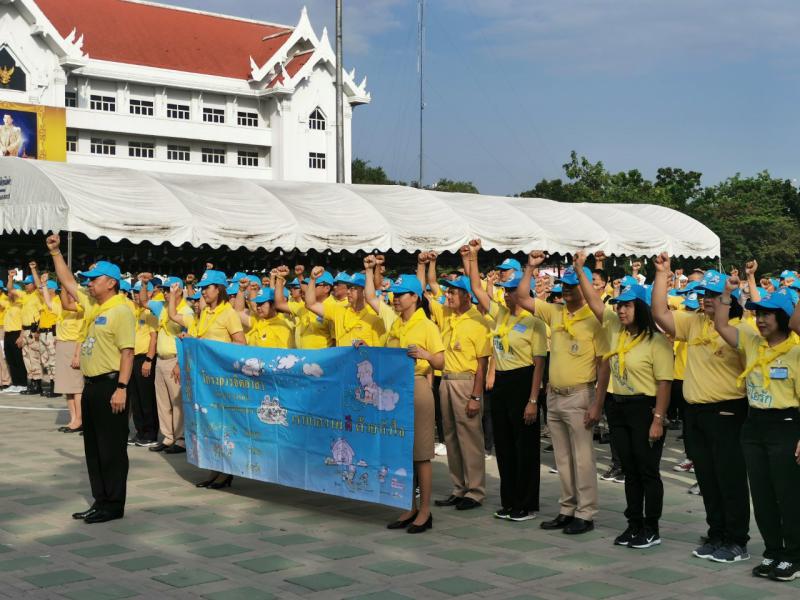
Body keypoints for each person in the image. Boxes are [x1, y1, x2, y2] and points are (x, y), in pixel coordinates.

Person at [652, 254, 752, 563]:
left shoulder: (742, 328)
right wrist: (662, 273)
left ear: (728, 296)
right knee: (708, 478)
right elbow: (659, 312)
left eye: (713, 294)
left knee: (729, 478)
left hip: (727, 412)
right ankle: (716, 533)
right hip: (695, 413)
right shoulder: (693, 322)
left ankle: (737, 540)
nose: (706, 299)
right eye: (704, 293)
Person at [575, 255, 673, 549]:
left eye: (627, 305)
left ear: (640, 307)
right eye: (619, 305)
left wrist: (658, 419)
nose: (621, 310)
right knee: (630, 470)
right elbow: (594, 301)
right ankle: (634, 524)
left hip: (646, 408)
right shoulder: (616, 329)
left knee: (647, 471)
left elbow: (664, 383)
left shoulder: (656, 341)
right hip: (618, 407)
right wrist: (580, 269)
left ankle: (651, 528)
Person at [47, 234, 135, 524]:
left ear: (111, 282)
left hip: (112, 385)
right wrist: (56, 252)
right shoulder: (94, 305)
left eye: (94, 279)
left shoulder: (121, 310)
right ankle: (100, 501)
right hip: (92, 386)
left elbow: (127, 353)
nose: (89, 283)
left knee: (112, 450)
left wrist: (121, 388)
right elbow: (68, 281)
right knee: (94, 450)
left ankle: (114, 505)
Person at [515, 252, 605, 535]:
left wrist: (598, 403)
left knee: (582, 458)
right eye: (564, 285)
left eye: (572, 285)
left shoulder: (596, 319)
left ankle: (586, 512)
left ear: (584, 287)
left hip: (580, 395)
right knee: (563, 458)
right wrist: (530, 268)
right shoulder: (555, 312)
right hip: (554, 395)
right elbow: (522, 297)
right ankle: (567, 508)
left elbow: (603, 364)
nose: (566, 290)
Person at [716, 282, 800, 582]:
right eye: (758, 314)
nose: (760, 320)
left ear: (783, 317)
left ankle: (794, 556)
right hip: (754, 426)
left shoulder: (796, 352)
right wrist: (726, 294)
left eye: (767, 314)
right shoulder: (753, 343)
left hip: (786, 425)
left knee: (787, 495)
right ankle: (773, 551)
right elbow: (721, 325)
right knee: (762, 495)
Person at [466, 240, 546, 522]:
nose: (507, 294)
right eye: (506, 290)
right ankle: (509, 500)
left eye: (512, 290)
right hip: (501, 381)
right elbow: (476, 289)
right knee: (504, 444)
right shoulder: (500, 314)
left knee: (525, 446)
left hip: (524, 381)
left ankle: (526, 503)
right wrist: (473, 257)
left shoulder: (535, 322)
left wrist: (533, 400)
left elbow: (539, 364)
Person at [363, 259, 444, 534]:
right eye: (394, 294)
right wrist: (366, 348)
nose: (395, 299)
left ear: (415, 297)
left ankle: (425, 511)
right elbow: (385, 355)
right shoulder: (396, 325)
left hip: (417, 387)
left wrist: (426, 355)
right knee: (401, 452)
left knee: (421, 454)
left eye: (400, 295)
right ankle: (408, 506)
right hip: (394, 392)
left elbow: (441, 361)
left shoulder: (427, 326)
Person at [170, 269, 245, 489]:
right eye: (202, 288)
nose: (203, 292)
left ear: (218, 289)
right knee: (209, 426)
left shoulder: (228, 313)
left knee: (222, 426)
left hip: (221, 380)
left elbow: (241, 343)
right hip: (204, 380)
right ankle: (215, 469)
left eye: (207, 288)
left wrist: (209, 347)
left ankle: (226, 472)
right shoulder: (204, 313)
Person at [425, 266, 491, 511]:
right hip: (446, 380)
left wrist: (476, 396)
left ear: (466, 296)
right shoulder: (447, 315)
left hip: (466, 381)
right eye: (448, 292)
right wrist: (426, 265)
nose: (448, 296)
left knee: (470, 438)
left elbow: (482, 365)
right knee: (450, 437)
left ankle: (475, 490)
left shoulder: (478, 321)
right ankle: (458, 487)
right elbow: (427, 289)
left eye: (453, 292)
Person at [151, 278, 193, 454]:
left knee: (177, 402)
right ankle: (168, 437)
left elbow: (188, 341)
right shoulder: (163, 308)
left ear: (179, 291)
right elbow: (144, 301)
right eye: (164, 290)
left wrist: (179, 363)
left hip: (174, 360)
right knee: (163, 402)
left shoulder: (186, 311)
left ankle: (181, 439)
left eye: (169, 290)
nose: (166, 293)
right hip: (161, 359)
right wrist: (144, 284)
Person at [40, 271, 85, 433]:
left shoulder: (80, 308)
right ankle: (73, 419)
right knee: (67, 388)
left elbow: (82, 335)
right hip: (61, 346)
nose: (66, 295)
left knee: (77, 388)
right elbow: (48, 302)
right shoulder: (60, 306)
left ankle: (80, 419)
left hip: (74, 347)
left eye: (68, 292)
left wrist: (77, 355)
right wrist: (44, 285)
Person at [304, 268, 385, 347]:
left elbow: (380, 351)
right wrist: (312, 279)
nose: (348, 291)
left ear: (365, 292)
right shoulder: (339, 311)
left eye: (353, 288)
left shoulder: (375, 317)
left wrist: (367, 348)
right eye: (348, 288)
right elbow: (310, 304)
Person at [127, 278, 159, 448]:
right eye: (135, 292)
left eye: (139, 292)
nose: (136, 295)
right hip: (132, 357)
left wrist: (149, 359)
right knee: (135, 398)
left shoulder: (150, 312)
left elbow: (153, 338)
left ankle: (150, 433)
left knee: (147, 398)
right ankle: (140, 432)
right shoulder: (134, 311)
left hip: (144, 358)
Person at [12, 271, 44, 395]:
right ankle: (32, 383)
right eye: (25, 284)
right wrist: (21, 335)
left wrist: (38, 330)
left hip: (33, 330)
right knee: (27, 358)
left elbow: (42, 314)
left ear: (34, 284)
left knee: (34, 358)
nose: (25, 285)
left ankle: (38, 384)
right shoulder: (25, 296)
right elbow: (10, 289)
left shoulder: (38, 295)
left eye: (28, 283)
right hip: (25, 330)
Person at [1, 275, 27, 392]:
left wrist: (21, 336)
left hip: (17, 333)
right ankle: (15, 383)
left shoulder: (21, 304)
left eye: (11, 293)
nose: (9, 294)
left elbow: (24, 321)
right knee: (10, 359)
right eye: (8, 293)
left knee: (19, 359)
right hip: (8, 334)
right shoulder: (8, 304)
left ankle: (23, 383)